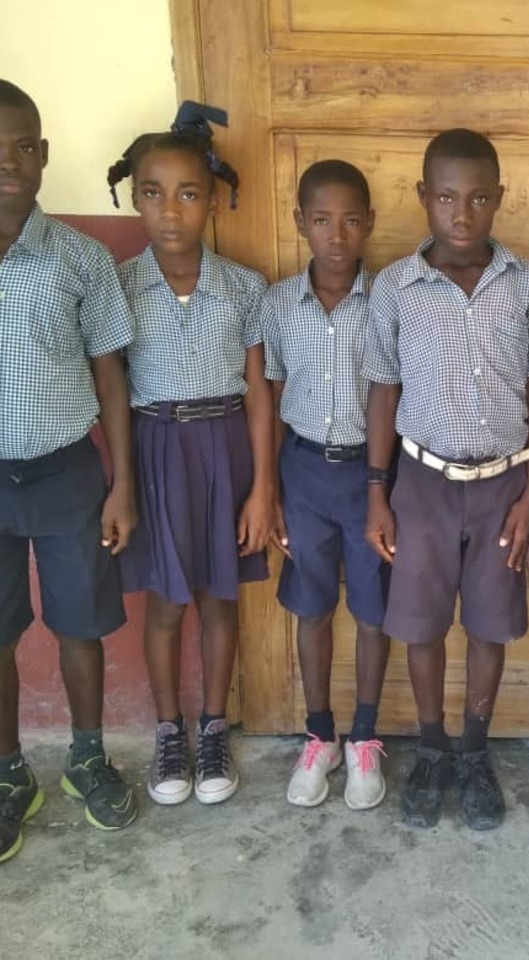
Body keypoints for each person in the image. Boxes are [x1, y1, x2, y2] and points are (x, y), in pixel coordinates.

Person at [364, 129, 529, 830]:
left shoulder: (527, 284)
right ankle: (432, 748)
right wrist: (376, 491)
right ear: (423, 199)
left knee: (491, 625)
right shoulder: (396, 287)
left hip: (503, 484)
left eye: (478, 198)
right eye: (446, 197)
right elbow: (384, 390)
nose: (462, 213)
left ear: (499, 199)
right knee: (420, 625)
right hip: (421, 483)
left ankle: (475, 750)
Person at [107, 102, 273, 807]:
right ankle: (169, 730)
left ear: (213, 200)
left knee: (218, 595)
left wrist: (263, 487)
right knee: (167, 602)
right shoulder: (117, 286)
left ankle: (213, 730)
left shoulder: (244, 287)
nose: (170, 211)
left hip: (225, 444)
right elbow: (110, 384)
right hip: (153, 446)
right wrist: (122, 482)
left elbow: (261, 394)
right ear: (133, 196)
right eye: (153, 193)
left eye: (188, 194)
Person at [0, 80, 138, 863]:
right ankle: (9, 772)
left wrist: (120, 482)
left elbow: (112, 378)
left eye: (24, 145)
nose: (9, 162)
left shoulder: (80, 259)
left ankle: (86, 756)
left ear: (45, 155)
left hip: (67, 476)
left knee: (80, 622)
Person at [263, 159, 390, 810]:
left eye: (349, 220)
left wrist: (382, 484)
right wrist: (272, 489)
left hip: (372, 475)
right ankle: (321, 733)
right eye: (321, 220)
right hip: (305, 470)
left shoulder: (389, 297)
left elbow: (397, 395)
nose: (336, 234)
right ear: (300, 225)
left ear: (369, 224)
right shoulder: (279, 303)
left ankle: (366, 736)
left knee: (372, 607)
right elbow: (273, 393)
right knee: (311, 605)